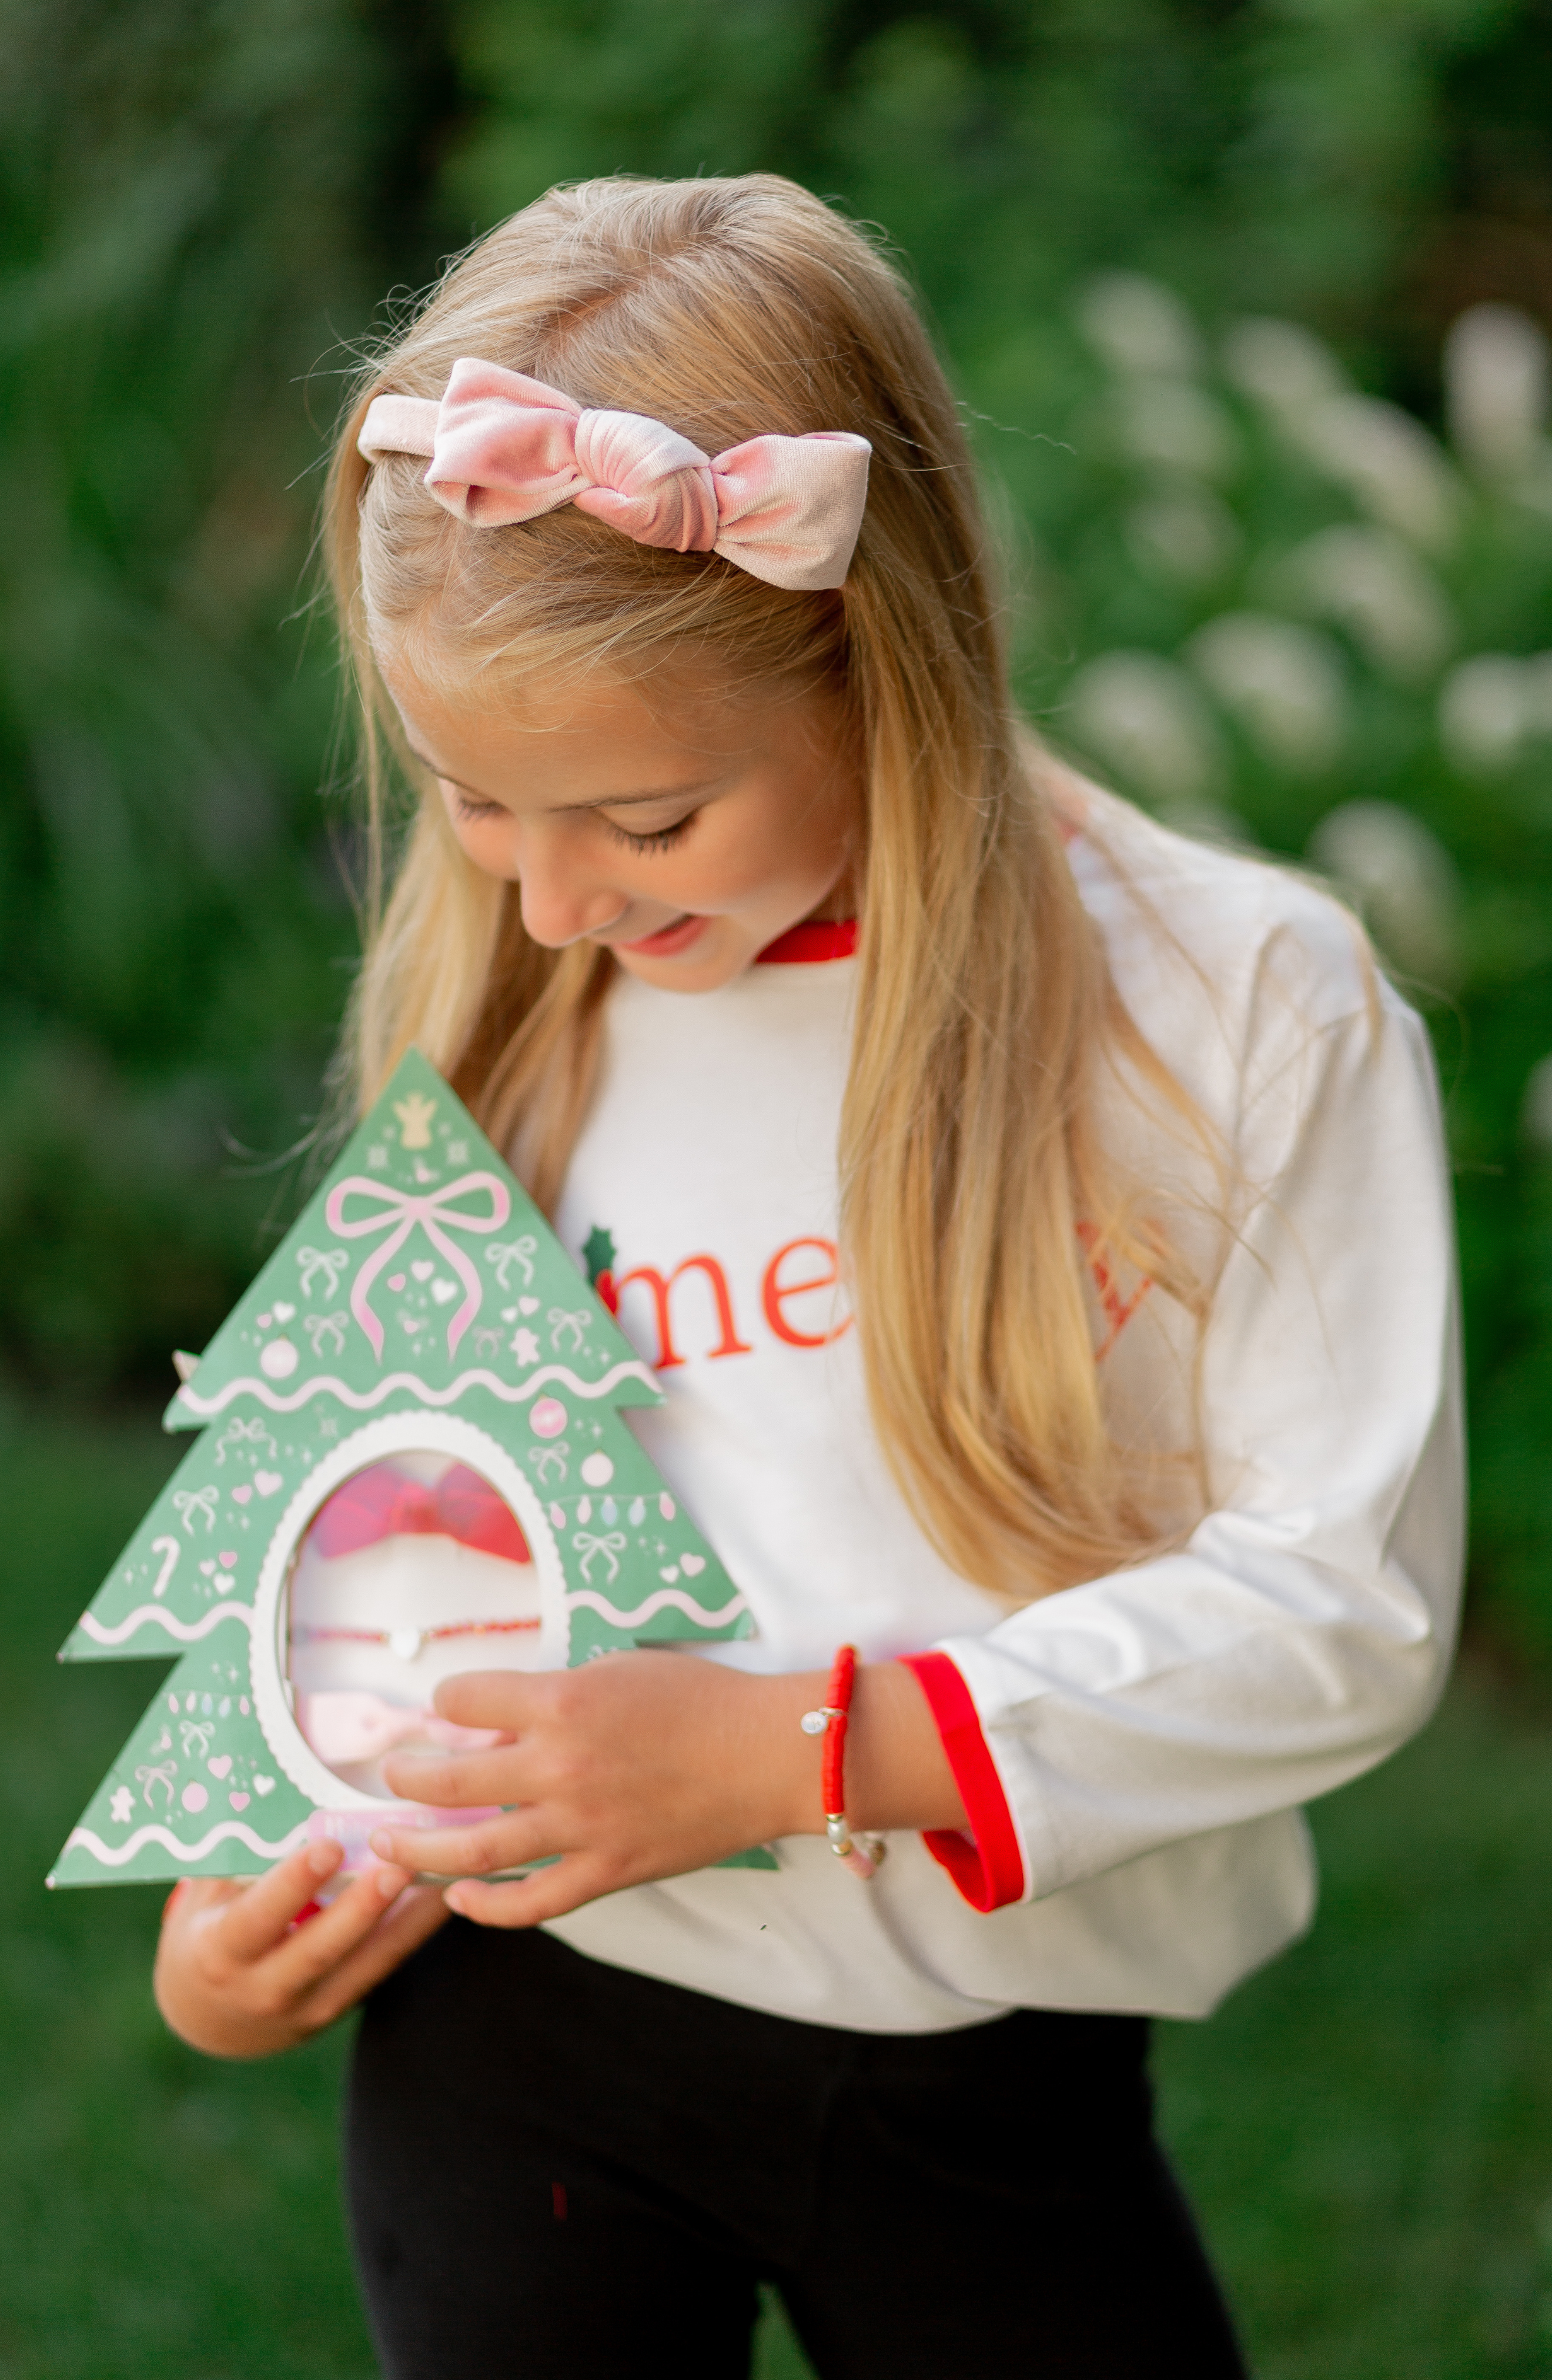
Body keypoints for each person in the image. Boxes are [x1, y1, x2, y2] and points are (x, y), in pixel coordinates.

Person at [152, 174, 1462, 2379]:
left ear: (889, 658)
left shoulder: (1247, 1011)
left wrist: (806, 1747)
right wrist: (245, 1879)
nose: (551, 899)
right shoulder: (507, 1005)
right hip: (511, 2040)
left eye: (646, 825)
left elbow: (1350, 1611)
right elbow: (377, 1520)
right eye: (474, 800)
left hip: (983, 2078)